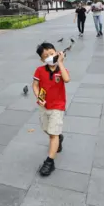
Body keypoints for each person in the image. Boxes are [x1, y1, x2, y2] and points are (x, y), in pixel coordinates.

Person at [33, 42, 70, 177]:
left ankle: (50, 162)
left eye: (52, 53)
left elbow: (67, 79)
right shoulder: (39, 70)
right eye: (46, 55)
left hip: (57, 106)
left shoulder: (61, 69)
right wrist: (38, 96)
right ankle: (59, 137)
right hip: (44, 105)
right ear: (42, 60)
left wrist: (60, 63)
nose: (49, 56)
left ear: (57, 52)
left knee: (52, 134)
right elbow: (35, 85)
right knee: (47, 130)